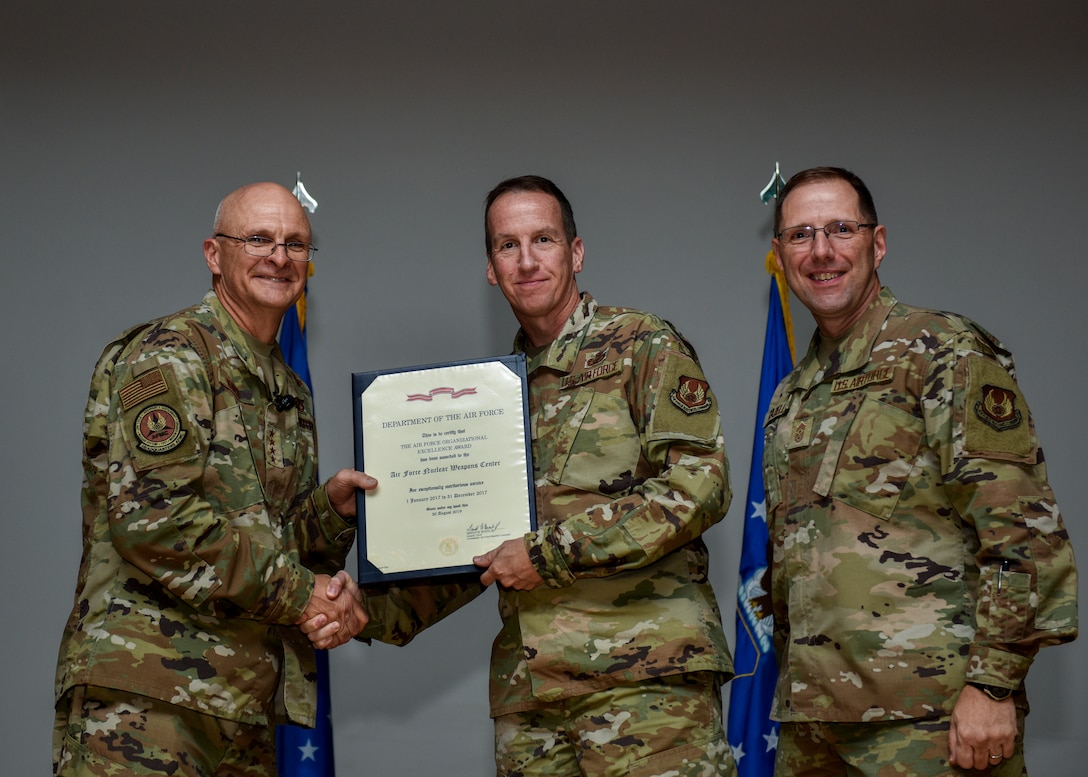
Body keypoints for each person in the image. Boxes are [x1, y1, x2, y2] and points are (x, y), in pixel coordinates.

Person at [344, 175, 737, 776]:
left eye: (543, 239)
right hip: (531, 698)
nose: (527, 260)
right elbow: (474, 549)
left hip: (647, 685)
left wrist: (549, 552)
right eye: (508, 245)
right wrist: (361, 609)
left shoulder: (640, 344)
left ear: (575, 252)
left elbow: (700, 485)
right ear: (490, 269)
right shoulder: (486, 395)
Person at [763, 166, 1078, 775]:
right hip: (813, 725)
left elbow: (1021, 530)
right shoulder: (793, 395)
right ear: (779, 255)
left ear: (877, 242)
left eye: (839, 229)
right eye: (800, 235)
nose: (821, 251)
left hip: (930, 720)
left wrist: (992, 686)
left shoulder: (944, 351)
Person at [53, 182, 375, 777]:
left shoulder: (285, 386)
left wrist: (331, 511)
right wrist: (305, 597)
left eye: (296, 244)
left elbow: (267, 540)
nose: (279, 257)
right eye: (258, 239)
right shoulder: (168, 357)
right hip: (145, 698)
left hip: (240, 705)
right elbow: (157, 525)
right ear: (213, 254)